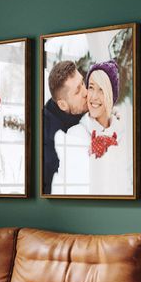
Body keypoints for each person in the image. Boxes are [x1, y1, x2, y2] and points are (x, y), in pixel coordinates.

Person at [52, 60, 132, 195]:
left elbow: (131, 186)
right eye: (91, 87)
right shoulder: (74, 135)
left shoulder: (125, 135)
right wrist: (96, 158)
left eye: (101, 89)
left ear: (111, 95)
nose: (93, 96)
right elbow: (71, 190)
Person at [43, 61, 88, 194]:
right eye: (78, 91)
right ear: (62, 105)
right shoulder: (49, 145)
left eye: (83, 83)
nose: (86, 92)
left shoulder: (79, 109)